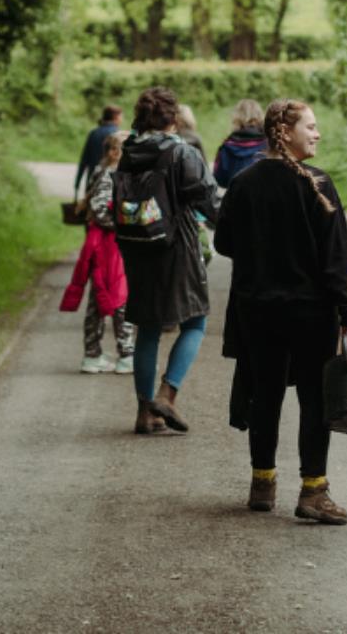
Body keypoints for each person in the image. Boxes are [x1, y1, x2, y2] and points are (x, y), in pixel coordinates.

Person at [214, 98, 347, 525]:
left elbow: (224, 244)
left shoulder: (244, 183)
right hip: (312, 314)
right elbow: (337, 259)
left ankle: (263, 484)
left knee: (265, 395)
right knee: (315, 399)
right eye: (310, 127)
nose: (317, 133)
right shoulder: (318, 184)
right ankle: (313, 492)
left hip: (258, 311)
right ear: (286, 133)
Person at [114, 86, 218, 435]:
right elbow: (207, 200)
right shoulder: (182, 153)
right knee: (195, 321)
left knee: (148, 327)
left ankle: (145, 413)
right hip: (177, 247)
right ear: (173, 119)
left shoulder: (128, 151)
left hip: (137, 246)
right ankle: (167, 394)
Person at [61, 131, 134, 375]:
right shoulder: (109, 175)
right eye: (128, 149)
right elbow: (101, 211)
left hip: (107, 245)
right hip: (108, 247)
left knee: (102, 297)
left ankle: (94, 354)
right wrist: (129, 222)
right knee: (118, 298)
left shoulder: (106, 173)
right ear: (114, 153)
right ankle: (125, 354)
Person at [213, 99, 268, 187]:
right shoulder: (269, 144)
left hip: (236, 197)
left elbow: (219, 179)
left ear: (236, 118)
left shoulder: (226, 147)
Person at [74, 105, 123, 199]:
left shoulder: (93, 133)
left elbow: (84, 160)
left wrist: (77, 184)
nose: (121, 119)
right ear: (115, 117)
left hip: (92, 181)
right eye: (121, 116)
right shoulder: (117, 136)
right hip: (109, 184)